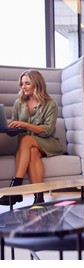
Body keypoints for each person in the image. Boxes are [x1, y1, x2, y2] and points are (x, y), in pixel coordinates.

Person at [0, 70, 63, 206]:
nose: (23, 87)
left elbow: (47, 130)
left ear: (37, 84)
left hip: (47, 143)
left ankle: (16, 190)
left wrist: (24, 124)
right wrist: (9, 128)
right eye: (22, 84)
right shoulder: (19, 103)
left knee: (26, 139)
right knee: (32, 151)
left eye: (27, 83)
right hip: (28, 147)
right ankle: (39, 198)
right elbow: (15, 130)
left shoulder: (50, 104)